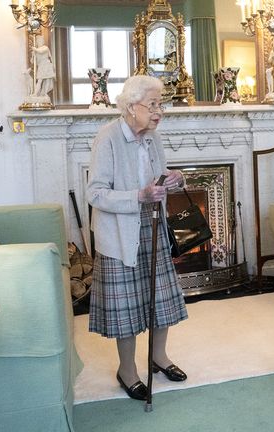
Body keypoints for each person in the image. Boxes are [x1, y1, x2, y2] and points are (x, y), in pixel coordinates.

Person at [86, 75, 188, 401]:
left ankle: (159, 357)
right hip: (119, 234)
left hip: (153, 225)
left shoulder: (152, 138)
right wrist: (139, 196)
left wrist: (174, 180)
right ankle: (127, 370)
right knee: (127, 310)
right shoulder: (108, 138)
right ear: (132, 107)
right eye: (153, 105)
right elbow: (96, 194)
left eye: (162, 104)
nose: (159, 112)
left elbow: (157, 177)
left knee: (161, 299)